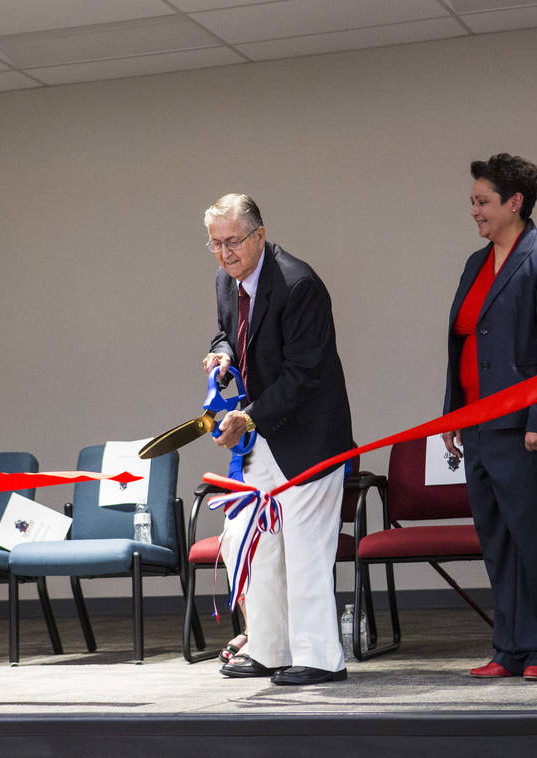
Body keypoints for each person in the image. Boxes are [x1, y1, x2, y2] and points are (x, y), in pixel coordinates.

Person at [442, 154, 537, 681]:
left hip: (529, 428)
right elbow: (461, 343)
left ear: (515, 202)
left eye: (483, 202)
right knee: (498, 540)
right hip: (478, 426)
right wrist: (450, 418)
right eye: (473, 202)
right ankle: (507, 648)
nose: (475, 212)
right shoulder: (475, 263)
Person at [201, 194, 353, 686]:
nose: (225, 254)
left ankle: (320, 659)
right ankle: (268, 649)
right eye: (216, 243)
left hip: (308, 437)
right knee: (257, 545)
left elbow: (304, 374)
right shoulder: (228, 280)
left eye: (234, 242)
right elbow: (227, 333)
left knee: (306, 551)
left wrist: (246, 416)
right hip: (261, 436)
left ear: (260, 235)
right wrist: (221, 356)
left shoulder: (298, 283)